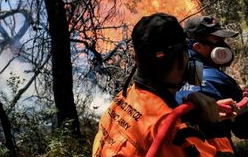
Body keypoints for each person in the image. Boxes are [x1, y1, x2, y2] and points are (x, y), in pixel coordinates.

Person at [92, 13, 234, 157]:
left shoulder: (119, 102)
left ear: (137, 60)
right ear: (183, 58)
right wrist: (214, 127)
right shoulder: (176, 135)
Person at [176, 15, 248, 146]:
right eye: (218, 42)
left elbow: (196, 87)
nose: (224, 47)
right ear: (198, 47)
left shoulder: (178, 70)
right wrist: (233, 90)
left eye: (223, 41)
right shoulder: (218, 80)